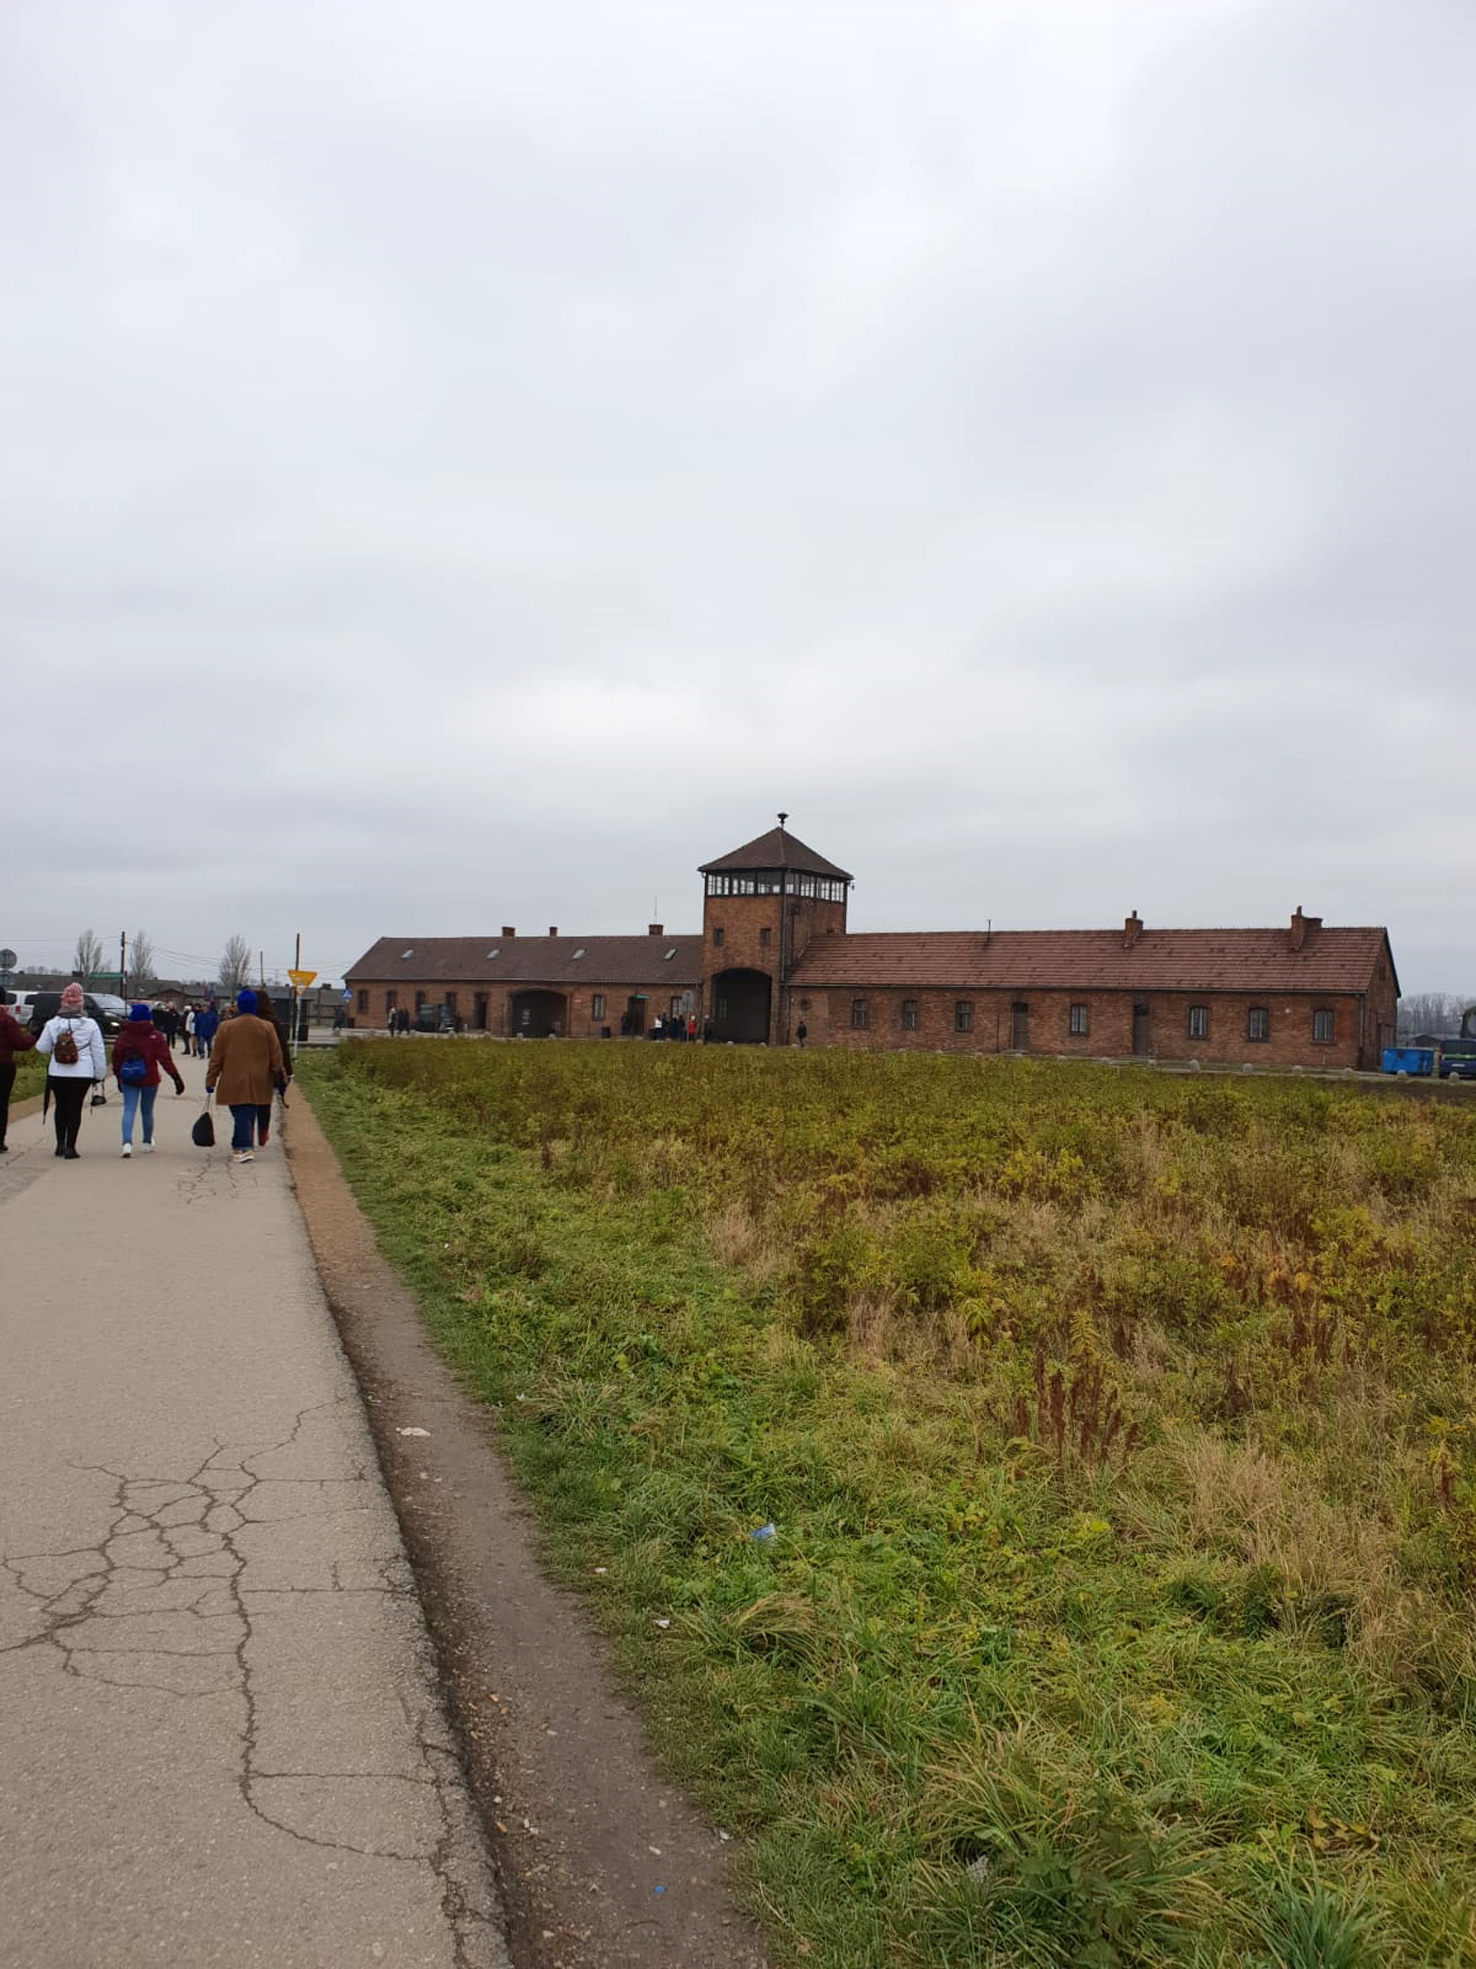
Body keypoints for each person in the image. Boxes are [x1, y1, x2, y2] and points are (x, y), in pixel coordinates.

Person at [204, 988, 285, 1166]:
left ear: (238, 1005)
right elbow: (276, 1055)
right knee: (247, 1111)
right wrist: (277, 1072)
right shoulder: (266, 1027)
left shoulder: (226, 1027)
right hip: (260, 1078)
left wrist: (211, 1080)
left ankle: (244, 1146)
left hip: (233, 1078)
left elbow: (216, 1057)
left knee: (240, 1111)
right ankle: (238, 1143)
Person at [36, 981, 107, 1158]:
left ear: (63, 1002)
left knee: (60, 1107)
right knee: (75, 1108)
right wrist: (99, 1075)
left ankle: (59, 1144)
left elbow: (41, 1047)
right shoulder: (90, 1025)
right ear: (80, 1002)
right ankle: (71, 1147)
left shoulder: (53, 1024)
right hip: (82, 1073)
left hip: (57, 1071)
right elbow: (98, 1052)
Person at [111, 1003, 185, 1156]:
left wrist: (118, 1076)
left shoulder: (124, 1036)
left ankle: (126, 1143)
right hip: (150, 1077)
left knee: (129, 1109)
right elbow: (165, 1059)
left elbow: (116, 1058)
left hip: (128, 1077)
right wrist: (176, 1077)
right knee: (147, 1111)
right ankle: (146, 1142)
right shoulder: (155, 1036)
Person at [250, 995, 292, 1149]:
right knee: (264, 1104)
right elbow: (282, 1048)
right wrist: (287, 1071)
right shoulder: (273, 1022)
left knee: (248, 1104)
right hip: (267, 1070)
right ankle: (262, 1133)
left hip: (247, 1067)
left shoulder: (245, 1021)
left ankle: (248, 1133)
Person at [0, 997, 37, 1152]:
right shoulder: (6, 1020)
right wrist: (34, 1036)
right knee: (1, 1103)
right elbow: (19, 1043)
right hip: (3, 1065)